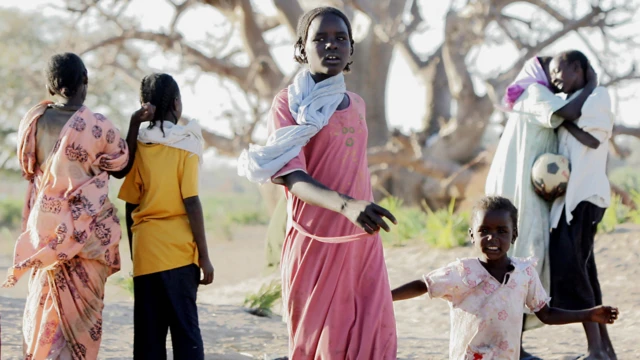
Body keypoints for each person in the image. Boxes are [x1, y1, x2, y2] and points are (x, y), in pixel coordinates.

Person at [237, 7, 398, 359]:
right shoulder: (288, 104)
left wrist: (359, 209)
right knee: (320, 346)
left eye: (341, 38)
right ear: (301, 48)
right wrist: (346, 205)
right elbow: (292, 175)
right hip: (315, 243)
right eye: (320, 38)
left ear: (352, 49)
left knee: (372, 341)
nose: (331, 45)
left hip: (361, 241)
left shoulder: (356, 104)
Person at [2, 52, 153, 359]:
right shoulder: (97, 126)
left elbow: (28, 167)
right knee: (82, 318)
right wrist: (135, 123)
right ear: (85, 81)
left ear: (49, 86)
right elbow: (121, 165)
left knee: (47, 305)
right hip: (89, 239)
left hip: (47, 234)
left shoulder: (32, 123)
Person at [391, 196, 619, 360]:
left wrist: (588, 314)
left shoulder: (524, 273)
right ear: (472, 235)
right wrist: (386, 296)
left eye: (502, 231)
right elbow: (424, 284)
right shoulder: (462, 272)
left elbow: (546, 314)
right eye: (484, 231)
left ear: (514, 234)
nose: (493, 238)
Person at [485, 54, 600, 359]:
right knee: (522, 264)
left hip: (528, 193)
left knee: (521, 266)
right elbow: (571, 110)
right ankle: (514, 348)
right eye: (552, 72)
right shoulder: (535, 93)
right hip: (519, 193)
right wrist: (590, 86)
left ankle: (515, 346)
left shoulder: (536, 95)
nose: (557, 79)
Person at [118, 73, 214, 360]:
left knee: (148, 339)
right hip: (179, 253)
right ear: (176, 103)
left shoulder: (139, 146)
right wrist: (204, 257)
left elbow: (129, 205)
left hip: (147, 251)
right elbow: (192, 202)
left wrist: (137, 252)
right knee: (186, 335)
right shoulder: (187, 143)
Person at [548, 50, 617, 360]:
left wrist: (564, 122)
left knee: (577, 272)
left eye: (559, 71)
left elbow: (592, 140)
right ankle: (605, 350)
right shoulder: (577, 98)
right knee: (585, 272)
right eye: (550, 74)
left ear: (579, 68)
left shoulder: (597, 96)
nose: (554, 79)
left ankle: (596, 350)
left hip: (585, 198)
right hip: (571, 202)